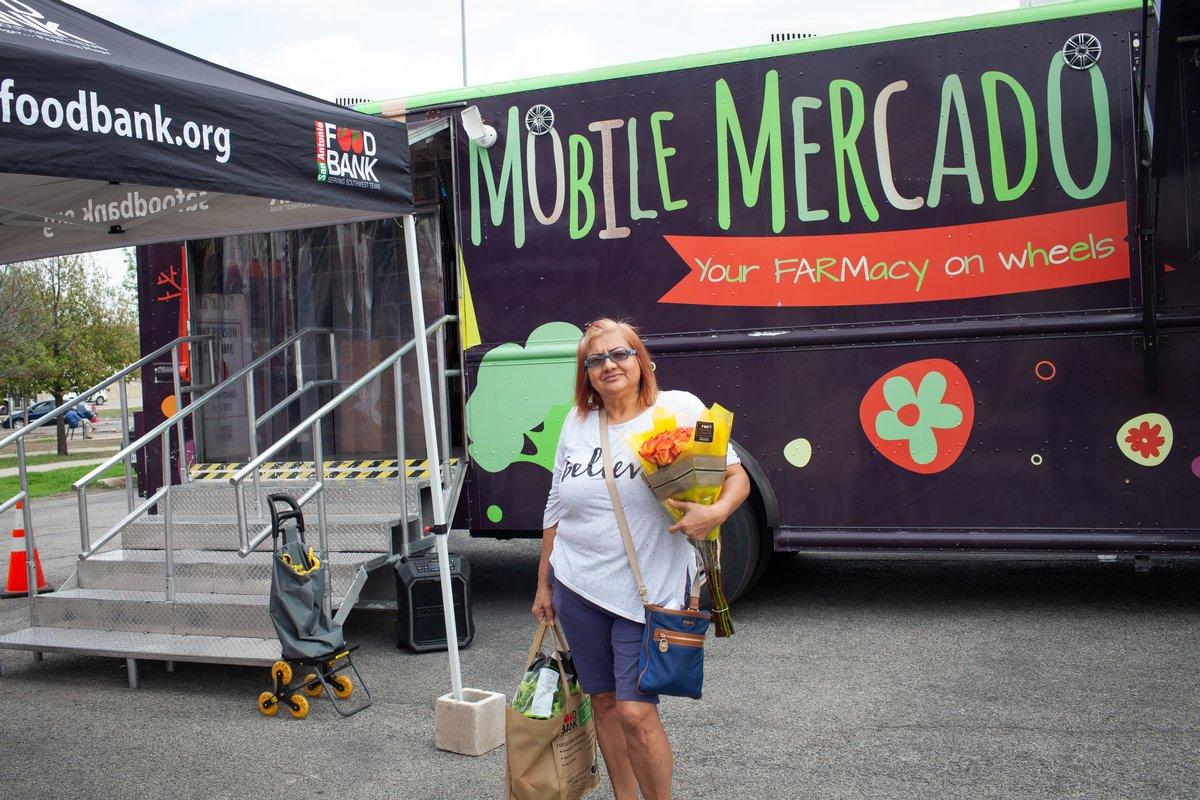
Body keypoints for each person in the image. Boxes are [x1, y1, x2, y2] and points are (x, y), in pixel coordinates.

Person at [532, 318, 750, 800]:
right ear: (585, 374)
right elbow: (555, 504)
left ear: (641, 360)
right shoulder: (577, 421)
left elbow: (737, 478)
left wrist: (713, 512)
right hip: (577, 586)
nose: (608, 365)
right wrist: (544, 582)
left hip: (645, 589)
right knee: (604, 704)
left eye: (619, 354)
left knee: (636, 712)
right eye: (595, 360)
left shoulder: (677, 409)